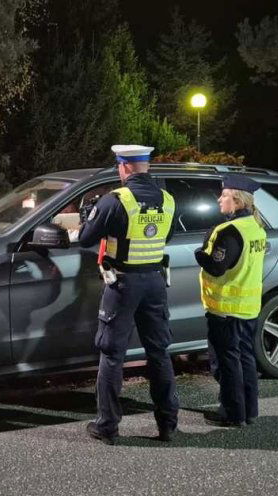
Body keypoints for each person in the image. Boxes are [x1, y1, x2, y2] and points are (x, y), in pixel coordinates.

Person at [78, 144, 179, 445]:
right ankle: (168, 425)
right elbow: (166, 236)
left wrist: (88, 217)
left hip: (123, 284)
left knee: (112, 354)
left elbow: (85, 238)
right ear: (146, 166)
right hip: (155, 282)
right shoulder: (168, 199)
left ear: (123, 167)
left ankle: (107, 426)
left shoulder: (116, 199)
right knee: (159, 352)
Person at [194, 174, 267, 427]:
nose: (219, 199)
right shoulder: (255, 227)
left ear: (237, 200)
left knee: (227, 364)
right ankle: (249, 411)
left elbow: (217, 267)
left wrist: (199, 254)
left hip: (226, 310)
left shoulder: (230, 232)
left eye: (224, 195)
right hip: (248, 308)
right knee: (246, 359)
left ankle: (232, 413)